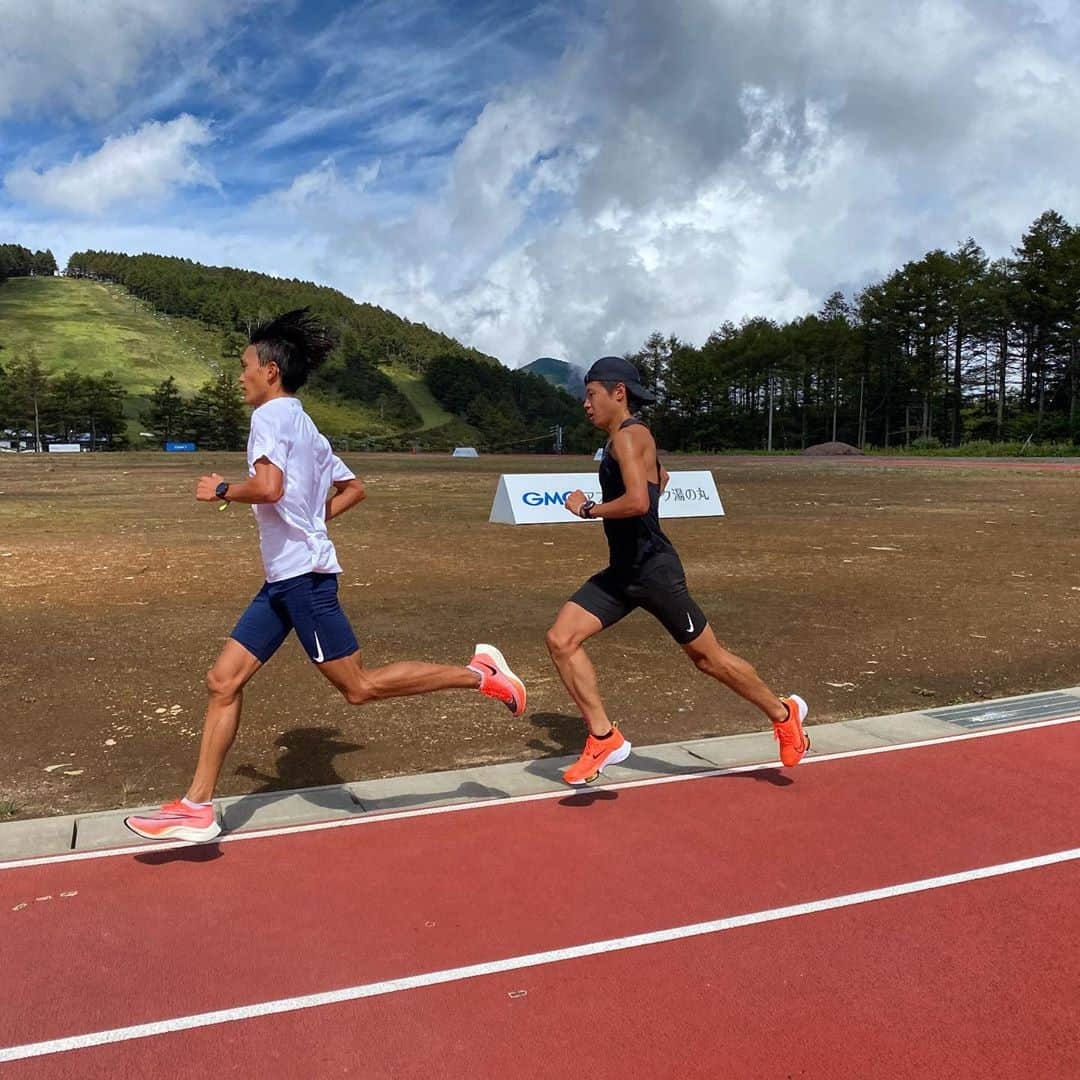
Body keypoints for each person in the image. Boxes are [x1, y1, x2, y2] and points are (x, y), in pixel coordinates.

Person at [125, 309, 524, 842]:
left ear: (270, 371)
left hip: (303, 581)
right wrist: (312, 522)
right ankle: (197, 807)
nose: (239, 375)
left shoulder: (269, 418)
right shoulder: (305, 425)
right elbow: (354, 488)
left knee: (358, 688)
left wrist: (222, 490)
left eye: (244, 365)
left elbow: (267, 488)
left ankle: (479, 674)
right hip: (284, 580)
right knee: (223, 680)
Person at [545, 355, 807, 785]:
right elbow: (660, 480)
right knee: (561, 639)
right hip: (623, 573)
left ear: (619, 393)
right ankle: (603, 737)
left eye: (591, 395)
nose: (585, 404)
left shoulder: (629, 438)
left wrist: (587, 509)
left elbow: (639, 502)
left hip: (654, 572)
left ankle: (784, 714)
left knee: (708, 659)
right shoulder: (629, 439)